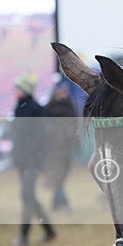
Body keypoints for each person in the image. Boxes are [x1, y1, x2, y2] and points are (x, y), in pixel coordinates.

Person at [11, 72, 55, 246]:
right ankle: (49, 230)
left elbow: (40, 139)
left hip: (32, 161)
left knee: (27, 195)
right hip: (23, 160)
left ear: (25, 89)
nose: (13, 91)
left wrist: (32, 157)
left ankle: (23, 235)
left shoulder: (36, 110)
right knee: (29, 196)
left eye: (17, 87)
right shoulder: (19, 108)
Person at [44, 80, 78, 211]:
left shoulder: (70, 107)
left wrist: (76, 144)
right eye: (61, 92)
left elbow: (75, 128)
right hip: (55, 149)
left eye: (65, 92)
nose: (63, 94)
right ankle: (62, 204)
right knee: (59, 176)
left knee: (61, 177)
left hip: (66, 149)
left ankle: (58, 203)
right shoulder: (49, 110)